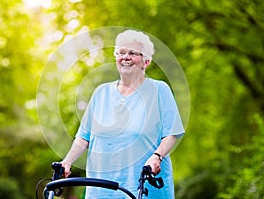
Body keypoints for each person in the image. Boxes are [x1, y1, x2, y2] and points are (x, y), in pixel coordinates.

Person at [61, 29, 185, 198]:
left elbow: (171, 133)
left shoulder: (159, 90)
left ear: (146, 61)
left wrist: (157, 156)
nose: (125, 57)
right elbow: (84, 138)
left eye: (133, 53)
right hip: (101, 190)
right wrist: (67, 162)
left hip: (143, 186)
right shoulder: (101, 93)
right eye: (121, 52)